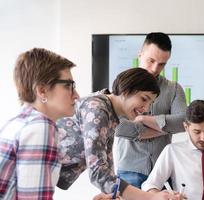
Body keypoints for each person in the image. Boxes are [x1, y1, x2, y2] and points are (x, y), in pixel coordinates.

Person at [56, 68, 181, 200]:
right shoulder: (97, 109)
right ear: (126, 91)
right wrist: (149, 197)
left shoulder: (111, 114)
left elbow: (105, 162)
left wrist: (110, 194)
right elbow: (97, 170)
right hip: (39, 169)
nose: (146, 109)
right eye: (144, 99)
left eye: (150, 104)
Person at [0, 48, 79, 199]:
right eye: (68, 85)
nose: (76, 95)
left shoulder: (18, 121)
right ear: (42, 91)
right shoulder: (40, 126)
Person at [115, 32, 187, 188]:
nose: (155, 68)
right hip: (129, 170)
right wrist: (166, 129)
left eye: (162, 64)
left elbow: (183, 122)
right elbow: (120, 127)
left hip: (163, 171)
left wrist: (143, 120)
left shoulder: (173, 89)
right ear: (140, 55)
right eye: (151, 61)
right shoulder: (122, 85)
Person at [141, 99, 204, 200]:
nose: (203, 138)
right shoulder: (172, 151)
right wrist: (167, 197)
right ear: (186, 127)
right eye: (197, 132)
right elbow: (149, 185)